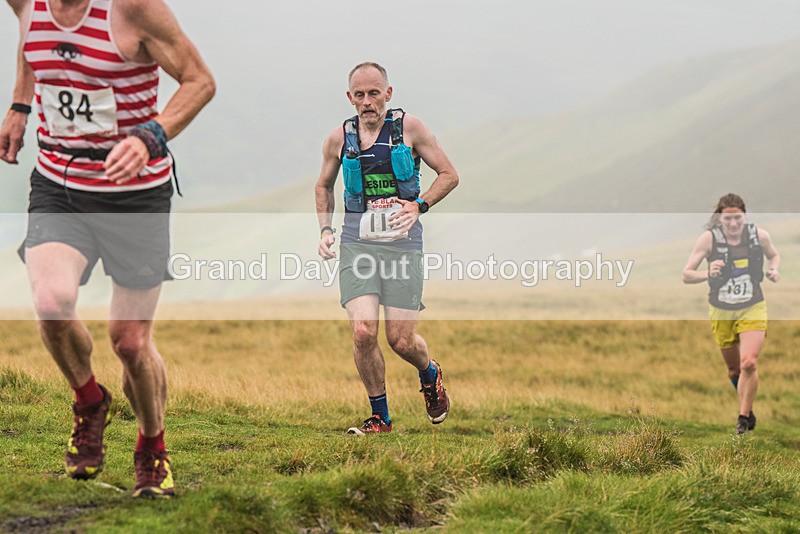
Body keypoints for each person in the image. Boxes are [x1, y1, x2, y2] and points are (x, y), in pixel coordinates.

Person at [0, 0, 214, 496]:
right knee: (52, 304)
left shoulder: (133, 9)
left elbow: (200, 80)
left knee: (130, 343)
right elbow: (34, 41)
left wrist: (150, 136)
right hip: (59, 183)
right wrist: (19, 104)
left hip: (134, 194)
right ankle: (90, 401)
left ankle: (151, 446)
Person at [315, 62, 459, 434]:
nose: (367, 101)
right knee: (363, 331)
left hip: (403, 247)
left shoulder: (409, 129)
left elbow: (449, 175)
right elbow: (322, 186)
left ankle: (430, 373)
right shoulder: (338, 138)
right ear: (350, 98)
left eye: (374, 93)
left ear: (388, 94)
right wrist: (326, 230)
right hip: (356, 243)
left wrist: (419, 205)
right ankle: (380, 417)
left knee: (400, 340)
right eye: (359, 95)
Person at [682, 193, 780, 435]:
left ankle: (743, 419)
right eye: (728, 219)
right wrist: (709, 273)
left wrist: (773, 269)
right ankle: (748, 405)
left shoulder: (759, 236)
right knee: (735, 370)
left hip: (752, 305)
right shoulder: (709, 240)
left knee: (749, 362)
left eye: (738, 218)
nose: (734, 224)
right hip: (722, 310)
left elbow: (774, 255)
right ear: (720, 219)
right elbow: (686, 274)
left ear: (744, 216)